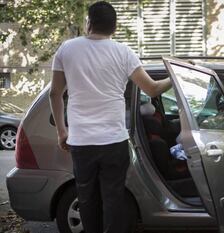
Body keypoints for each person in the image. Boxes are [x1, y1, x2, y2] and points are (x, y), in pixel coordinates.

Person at [49, 2, 171, 233]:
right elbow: (153, 89)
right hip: (114, 142)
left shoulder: (67, 49)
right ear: (114, 27)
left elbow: (55, 93)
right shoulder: (123, 52)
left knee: (87, 198)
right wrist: (174, 76)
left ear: (89, 23)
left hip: (82, 142)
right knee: (113, 198)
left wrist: (62, 132)